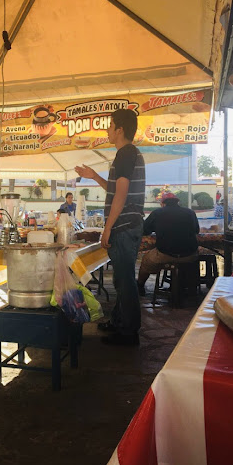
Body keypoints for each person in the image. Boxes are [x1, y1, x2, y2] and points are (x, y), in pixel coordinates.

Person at [75, 108, 145, 346]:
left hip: (124, 225)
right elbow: (115, 188)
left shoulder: (126, 153)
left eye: (110, 125)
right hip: (127, 225)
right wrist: (94, 176)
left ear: (120, 130)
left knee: (125, 280)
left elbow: (121, 194)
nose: (107, 130)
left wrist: (108, 228)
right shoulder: (127, 154)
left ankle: (128, 332)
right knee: (120, 280)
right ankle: (118, 322)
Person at [137, 192, 199, 295]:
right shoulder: (190, 212)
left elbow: (145, 231)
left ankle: (140, 285)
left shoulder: (157, 213)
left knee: (146, 261)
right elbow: (196, 230)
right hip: (190, 255)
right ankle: (181, 286)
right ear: (177, 202)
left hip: (165, 254)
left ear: (163, 203)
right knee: (183, 262)